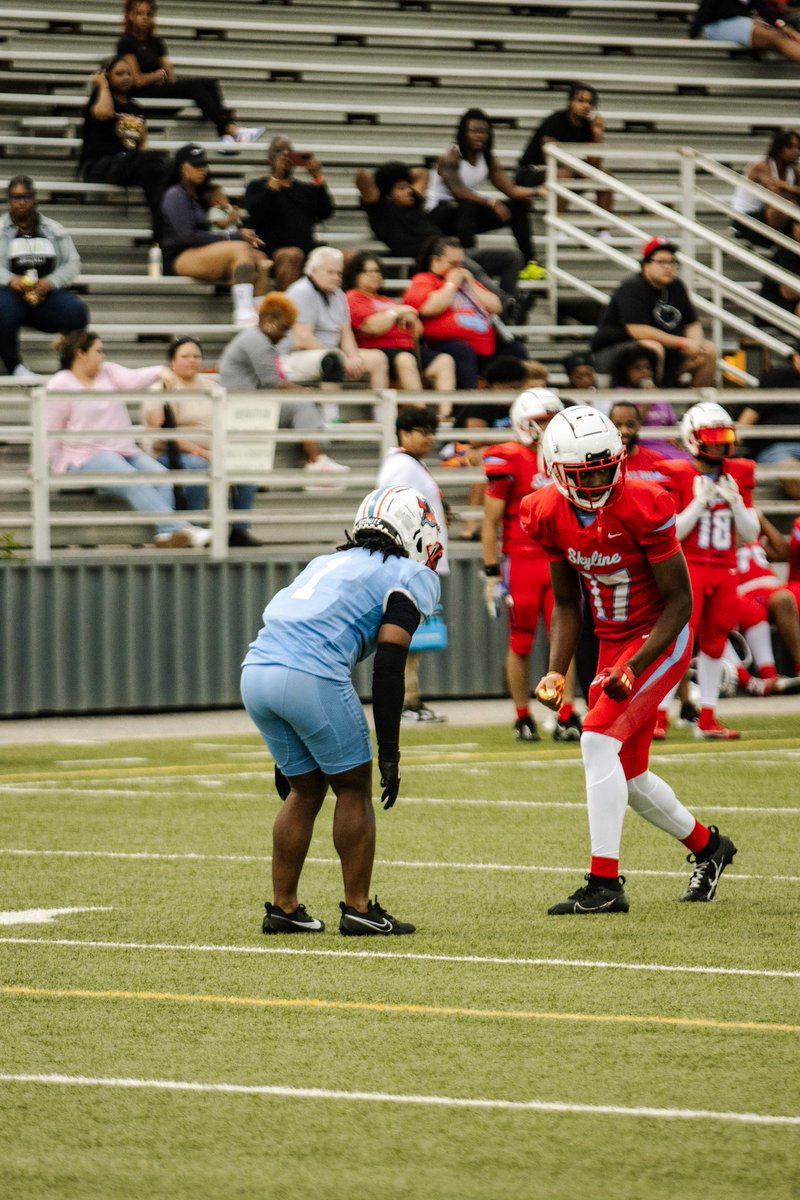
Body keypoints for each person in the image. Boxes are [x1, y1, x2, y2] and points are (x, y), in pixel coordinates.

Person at [520, 406, 738, 913]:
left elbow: (680, 601)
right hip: (614, 642)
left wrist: (634, 666)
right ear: (556, 470)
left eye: (604, 467)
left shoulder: (642, 502)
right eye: (584, 472)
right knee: (630, 775)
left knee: (596, 740)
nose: (597, 480)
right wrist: (556, 669)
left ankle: (604, 885)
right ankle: (710, 848)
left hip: (658, 638)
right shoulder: (546, 511)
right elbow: (569, 604)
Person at [240, 485, 443, 935]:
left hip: (256, 671)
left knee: (305, 789)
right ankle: (358, 909)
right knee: (353, 788)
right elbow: (390, 662)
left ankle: (284, 908)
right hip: (308, 676)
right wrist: (388, 751)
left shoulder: (325, 561)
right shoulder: (408, 573)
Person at [46, 330, 211, 548]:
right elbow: (49, 428)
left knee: (162, 477)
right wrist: (47, 466)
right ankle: (181, 529)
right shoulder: (60, 383)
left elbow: (133, 379)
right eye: (98, 351)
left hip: (122, 449)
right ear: (81, 354)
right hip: (83, 455)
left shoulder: (108, 372)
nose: (102, 356)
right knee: (131, 478)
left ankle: (165, 535)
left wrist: (160, 371)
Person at [482, 388, 583, 743]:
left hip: (558, 557)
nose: (548, 427)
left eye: (552, 419)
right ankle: (522, 716)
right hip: (522, 561)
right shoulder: (507, 459)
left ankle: (566, 714)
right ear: (522, 423)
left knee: (563, 641)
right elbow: (490, 522)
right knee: (521, 642)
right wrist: (491, 572)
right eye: (540, 420)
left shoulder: (567, 456)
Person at [657, 401, 759, 739]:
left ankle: (708, 717)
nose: (718, 443)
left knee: (715, 643)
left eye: (723, 436)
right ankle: (657, 716)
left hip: (726, 568)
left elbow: (749, 534)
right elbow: (672, 533)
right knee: (677, 643)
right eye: (710, 436)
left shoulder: (739, 472)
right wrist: (699, 503)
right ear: (692, 438)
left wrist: (735, 502)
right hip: (689, 568)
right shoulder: (678, 473)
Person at [355, 159, 532, 315]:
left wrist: (399, 174)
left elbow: (422, 173)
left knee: (512, 256)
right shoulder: (381, 212)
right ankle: (509, 303)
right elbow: (362, 176)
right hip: (430, 259)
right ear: (387, 193)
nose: (409, 190)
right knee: (469, 268)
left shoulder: (413, 204)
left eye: (408, 186)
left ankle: (506, 314)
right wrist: (385, 179)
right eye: (402, 188)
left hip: (449, 251)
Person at [141, 336, 262, 547]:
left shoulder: (212, 387)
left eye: (196, 356)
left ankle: (239, 529)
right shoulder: (161, 388)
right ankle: (191, 526)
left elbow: (227, 422)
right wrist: (201, 452)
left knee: (245, 468)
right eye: (185, 356)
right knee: (198, 466)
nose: (192, 360)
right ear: (172, 361)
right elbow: (161, 430)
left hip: (211, 450)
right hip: (169, 454)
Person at [218, 290, 346, 477]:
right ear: (269, 321)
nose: (286, 335)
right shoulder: (257, 342)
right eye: (284, 328)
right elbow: (273, 383)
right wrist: (305, 392)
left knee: (302, 401)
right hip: (241, 405)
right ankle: (316, 460)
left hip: (250, 400)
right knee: (301, 404)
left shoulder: (258, 339)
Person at [377, 407, 449, 723]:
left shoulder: (408, 464)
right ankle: (405, 702)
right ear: (404, 434)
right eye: (422, 431)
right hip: (410, 563)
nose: (428, 438)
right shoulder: (403, 466)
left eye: (431, 431)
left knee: (413, 638)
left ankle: (410, 699)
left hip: (416, 561)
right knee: (406, 634)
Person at [118, 0, 262, 144]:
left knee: (210, 83)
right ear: (130, 16)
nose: (145, 18)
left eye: (149, 14)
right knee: (194, 86)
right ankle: (231, 130)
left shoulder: (156, 42)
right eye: (140, 13)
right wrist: (159, 74)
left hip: (160, 89)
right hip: (142, 97)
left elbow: (170, 72)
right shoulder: (127, 43)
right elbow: (137, 80)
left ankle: (225, 136)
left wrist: (161, 74)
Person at [158, 144, 270, 327]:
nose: (202, 169)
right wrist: (233, 235)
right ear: (183, 167)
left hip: (201, 251)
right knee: (241, 248)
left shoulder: (197, 195)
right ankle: (243, 312)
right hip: (178, 256)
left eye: (203, 165)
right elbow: (188, 236)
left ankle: (258, 313)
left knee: (260, 258)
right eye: (196, 165)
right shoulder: (174, 194)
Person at [402, 236, 531, 390]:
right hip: (445, 345)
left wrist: (471, 284)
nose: (457, 269)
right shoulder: (423, 280)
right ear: (435, 261)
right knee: (462, 350)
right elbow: (429, 308)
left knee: (516, 350)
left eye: (460, 264)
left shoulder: (467, 281)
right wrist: (450, 284)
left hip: (484, 345)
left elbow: (496, 306)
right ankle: (466, 402)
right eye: (452, 264)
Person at [425, 109, 541, 276]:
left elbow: (511, 190)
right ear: (463, 133)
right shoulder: (450, 156)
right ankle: (467, 262)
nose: (480, 136)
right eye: (474, 131)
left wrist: (539, 191)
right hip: (439, 215)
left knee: (517, 207)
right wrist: (491, 202)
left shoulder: (487, 158)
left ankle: (529, 264)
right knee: (467, 204)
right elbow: (459, 192)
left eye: (484, 132)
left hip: (465, 217)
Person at [590, 236, 717, 387]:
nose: (668, 267)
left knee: (708, 350)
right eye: (662, 262)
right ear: (646, 265)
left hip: (664, 350)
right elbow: (638, 331)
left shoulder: (676, 286)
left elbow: (692, 323)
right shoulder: (632, 286)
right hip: (612, 351)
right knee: (651, 348)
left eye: (671, 262)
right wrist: (683, 343)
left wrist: (696, 345)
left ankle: (698, 408)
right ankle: (655, 406)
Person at [0, 176, 89, 379]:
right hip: (10, 295)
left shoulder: (54, 230)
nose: (21, 202)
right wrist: (9, 280)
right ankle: (15, 367)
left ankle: (67, 369)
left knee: (76, 312)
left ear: (35, 199)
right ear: (8, 201)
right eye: (15, 197)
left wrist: (51, 282)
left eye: (26, 197)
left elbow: (73, 263)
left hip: (45, 294)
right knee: (2, 308)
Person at [78, 55, 168, 236]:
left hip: (128, 164)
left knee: (163, 170)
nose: (126, 77)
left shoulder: (136, 107)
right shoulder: (99, 100)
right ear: (107, 76)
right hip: (98, 165)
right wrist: (102, 85)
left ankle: (161, 229)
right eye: (119, 74)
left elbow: (142, 143)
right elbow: (104, 113)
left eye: (128, 73)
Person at [343, 250, 455, 392]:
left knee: (445, 361)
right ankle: (419, 411)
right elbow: (372, 327)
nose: (374, 275)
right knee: (405, 359)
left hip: (408, 348)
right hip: (379, 349)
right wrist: (396, 312)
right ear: (354, 275)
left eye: (377, 271)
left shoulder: (386, 300)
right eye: (367, 271)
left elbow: (418, 332)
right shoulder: (353, 297)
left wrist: (412, 318)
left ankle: (444, 414)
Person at [282, 246, 389, 391]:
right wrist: (338, 355)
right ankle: (330, 412)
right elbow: (302, 339)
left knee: (378, 359)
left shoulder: (338, 294)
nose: (336, 278)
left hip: (330, 352)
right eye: (330, 272)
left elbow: (346, 333)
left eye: (339, 274)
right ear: (312, 271)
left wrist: (353, 357)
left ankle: (381, 411)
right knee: (333, 361)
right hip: (295, 356)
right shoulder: (302, 291)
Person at [243, 137, 335, 290]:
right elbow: (258, 213)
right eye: (279, 152)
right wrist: (276, 178)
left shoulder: (305, 189)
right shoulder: (257, 186)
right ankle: (287, 312)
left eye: (289, 152)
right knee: (291, 255)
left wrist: (317, 178)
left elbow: (326, 212)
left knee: (345, 258)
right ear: (269, 158)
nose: (285, 156)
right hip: (272, 252)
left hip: (307, 251)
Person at [516, 82, 613, 220]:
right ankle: (558, 227)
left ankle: (603, 231)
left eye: (590, 102)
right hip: (531, 170)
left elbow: (595, 165)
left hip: (570, 171)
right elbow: (548, 156)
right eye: (580, 101)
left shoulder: (589, 126)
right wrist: (580, 170)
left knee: (605, 175)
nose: (586, 106)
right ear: (569, 103)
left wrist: (597, 135)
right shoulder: (555, 120)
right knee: (563, 174)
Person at [737, 341, 800, 501]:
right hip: (777, 447)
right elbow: (751, 412)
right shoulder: (778, 376)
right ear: (795, 358)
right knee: (793, 474)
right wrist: (732, 440)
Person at [608, 342, 688, 459]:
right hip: (639, 447)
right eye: (637, 368)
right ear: (626, 371)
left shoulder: (656, 393)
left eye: (648, 368)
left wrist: (673, 438)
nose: (644, 372)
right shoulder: (621, 394)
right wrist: (647, 399)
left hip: (665, 447)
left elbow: (671, 423)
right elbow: (632, 425)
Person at [730, 129, 800, 244]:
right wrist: (792, 191)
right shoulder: (762, 165)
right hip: (745, 219)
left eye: (798, 147)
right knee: (785, 205)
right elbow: (774, 193)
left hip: (768, 221)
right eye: (790, 147)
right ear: (779, 148)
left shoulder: (793, 172)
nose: (795, 151)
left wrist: (785, 186)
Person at [690, 0, 800, 64]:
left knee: (786, 34)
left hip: (740, 23)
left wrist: (783, 26)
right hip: (718, 26)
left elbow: (764, 10)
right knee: (778, 37)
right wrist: (693, 34)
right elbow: (705, 10)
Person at [608, 400, 668, 481]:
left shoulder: (658, 461)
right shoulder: (602, 465)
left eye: (630, 425)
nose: (624, 431)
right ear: (609, 426)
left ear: (638, 425)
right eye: (617, 425)